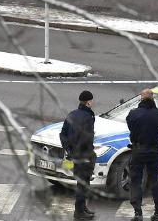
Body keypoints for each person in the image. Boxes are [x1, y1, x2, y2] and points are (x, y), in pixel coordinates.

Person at [125, 89, 158, 221]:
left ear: (141, 99)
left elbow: (130, 125)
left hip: (139, 150)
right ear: (153, 98)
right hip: (155, 151)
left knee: (136, 181)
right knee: (155, 180)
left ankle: (138, 213)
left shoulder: (134, 114)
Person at [60, 90, 97, 220]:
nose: (93, 103)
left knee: (82, 183)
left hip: (75, 155)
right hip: (84, 155)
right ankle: (79, 212)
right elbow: (87, 138)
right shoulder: (88, 117)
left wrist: (69, 150)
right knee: (83, 184)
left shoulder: (72, 114)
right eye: (91, 100)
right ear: (88, 102)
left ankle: (82, 208)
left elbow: (63, 134)